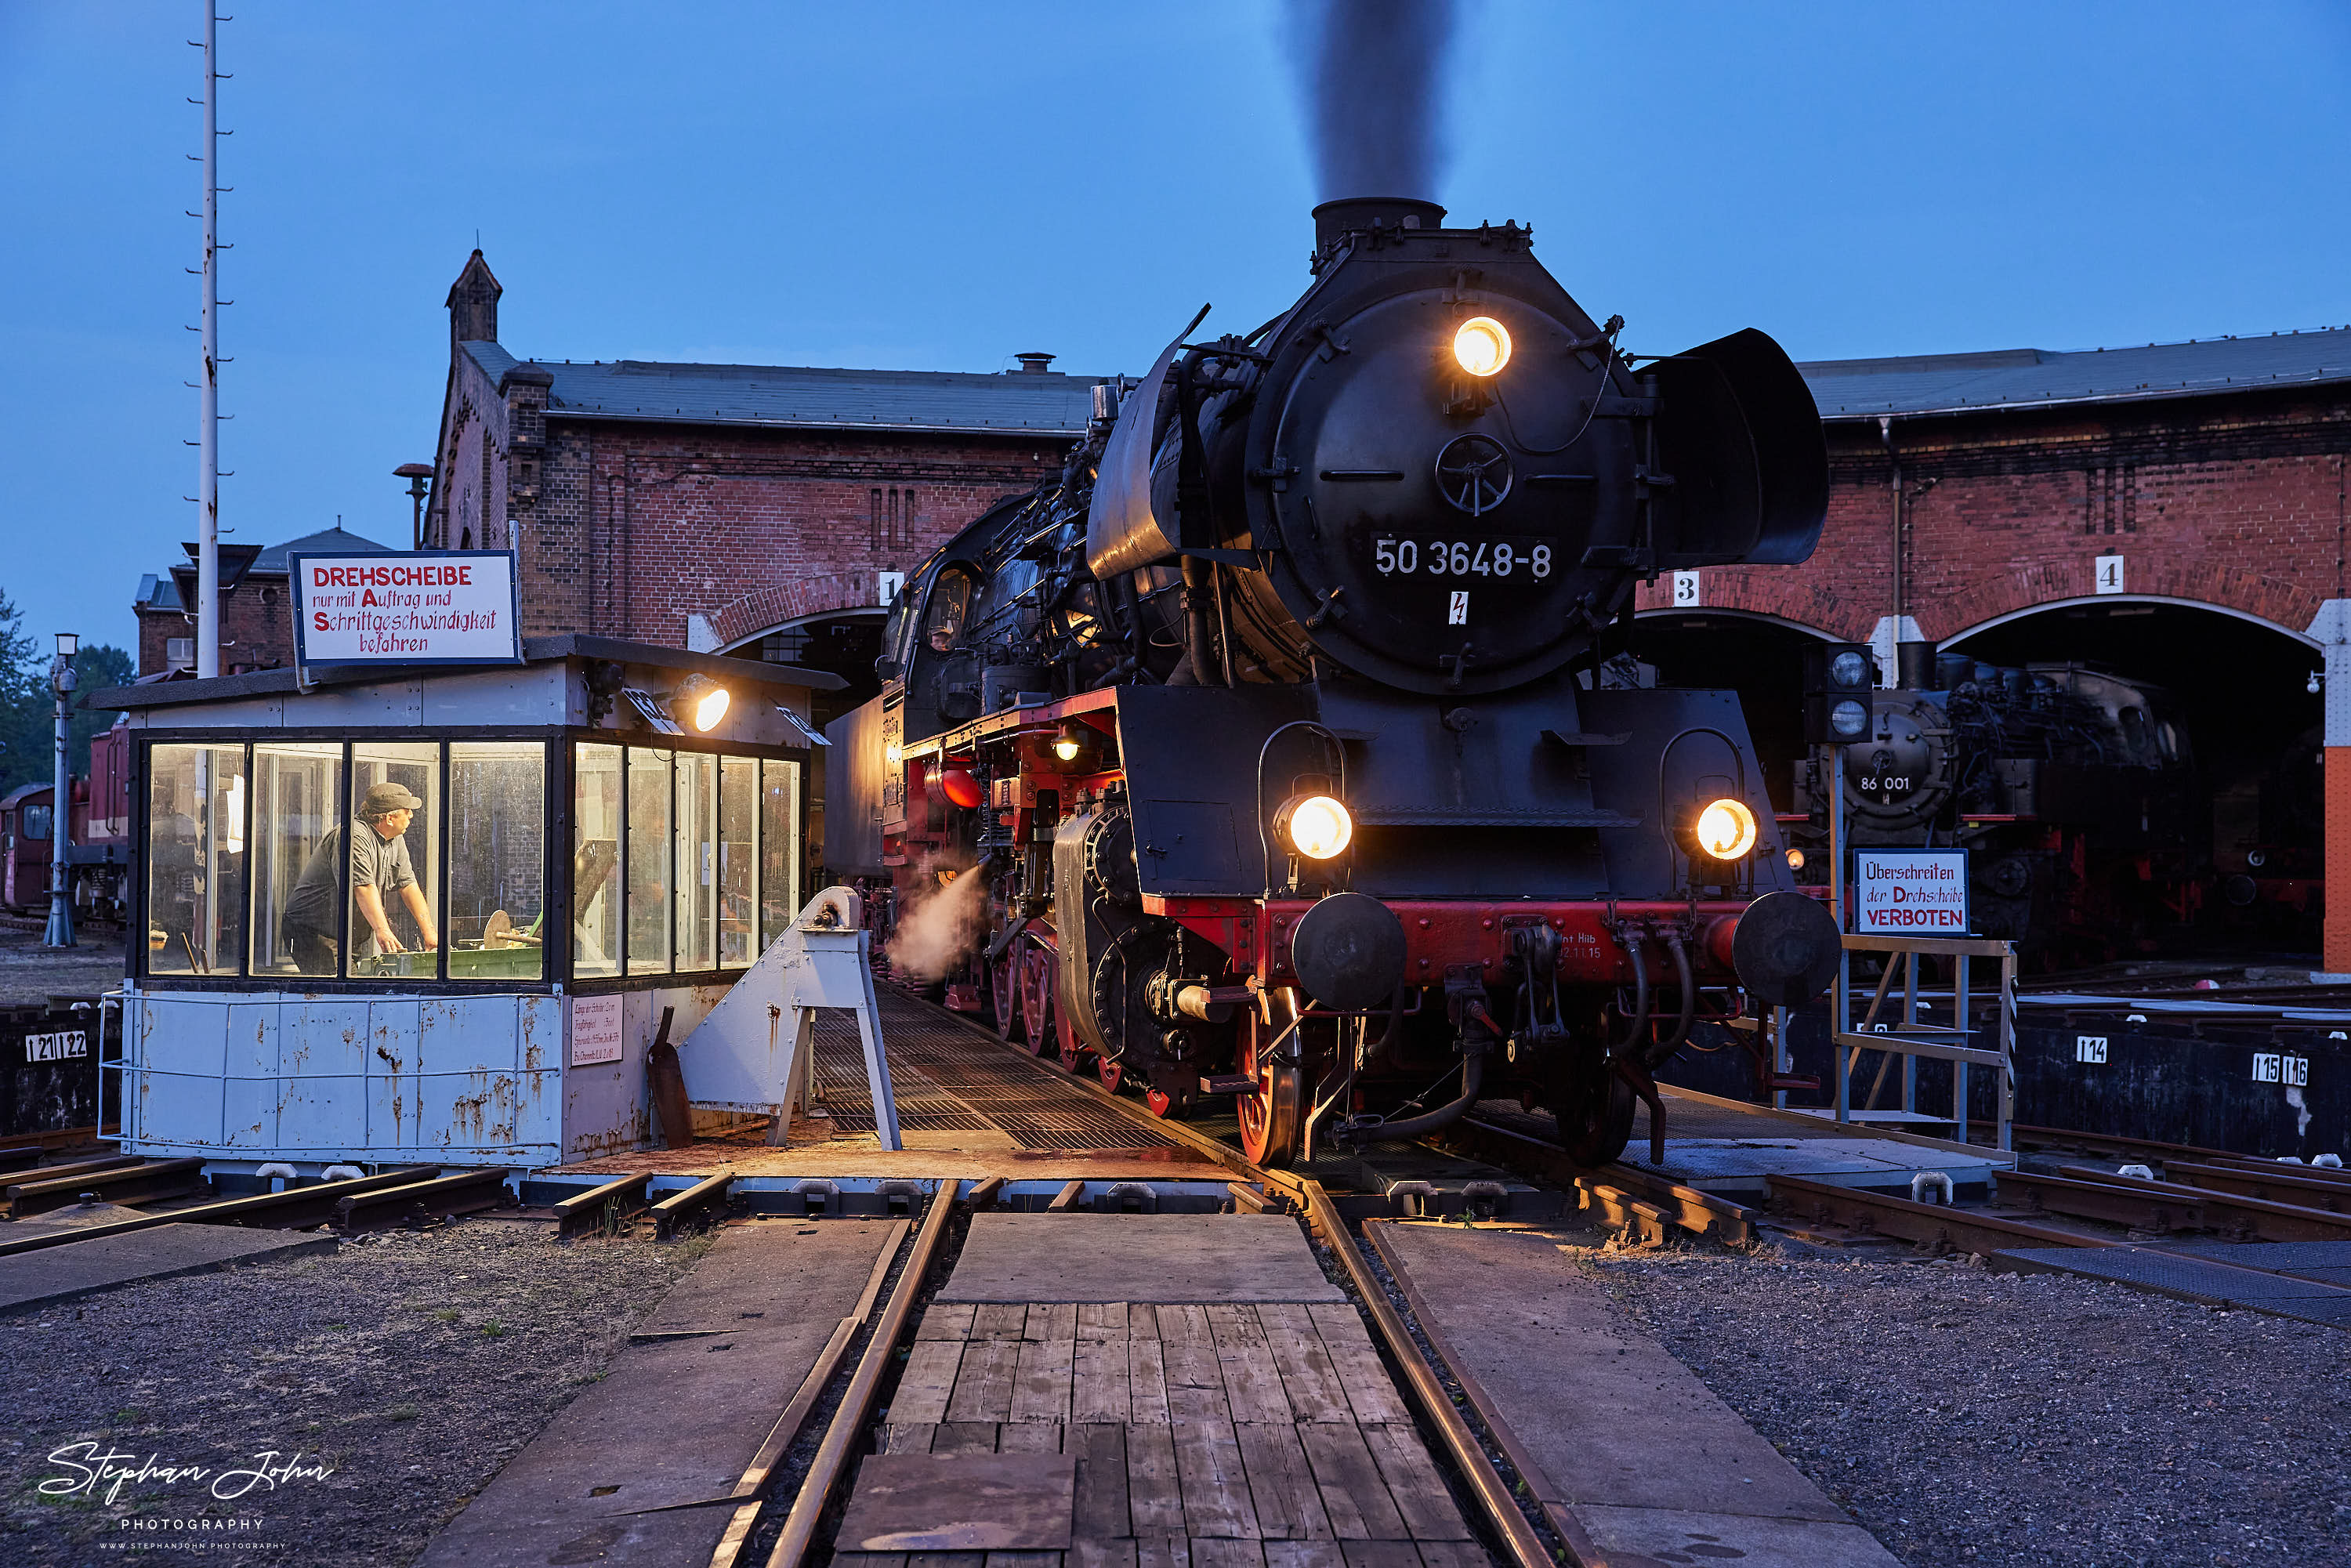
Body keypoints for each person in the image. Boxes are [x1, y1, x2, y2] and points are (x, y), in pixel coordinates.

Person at [281, 782, 438, 975]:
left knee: (352, 983)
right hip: (315, 930)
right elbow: (363, 887)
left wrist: (429, 932)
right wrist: (383, 931)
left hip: (346, 934)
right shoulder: (352, 836)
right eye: (407, 811)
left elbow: (408, 885)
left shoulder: (395, 838)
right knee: (341, 991)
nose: (411, 815)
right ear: (390, 818)